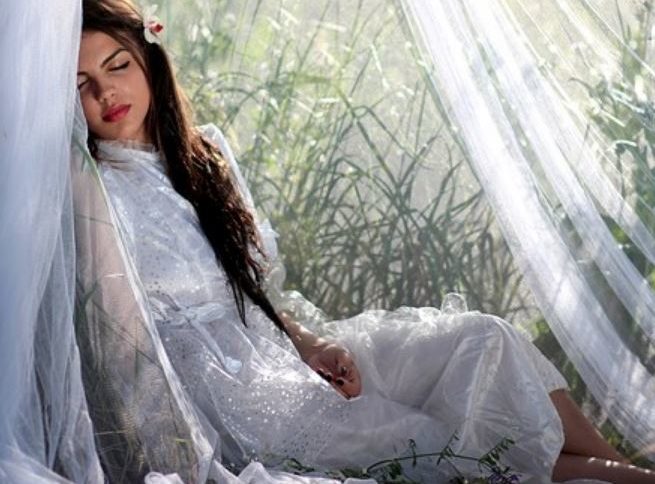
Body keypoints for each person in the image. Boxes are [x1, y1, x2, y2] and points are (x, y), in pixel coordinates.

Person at [76, 0, 655, 482]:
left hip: (282, 349)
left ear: (149, 58)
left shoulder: (206, 152)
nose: (107, 93)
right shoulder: (94, 185)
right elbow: (125, 349)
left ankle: (623, 470)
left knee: (484, 339)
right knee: (433, 440)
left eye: (118, 65)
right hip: (235, 397)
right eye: (83, 85)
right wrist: (172, 453)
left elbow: (252, 292)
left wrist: (311, 345)